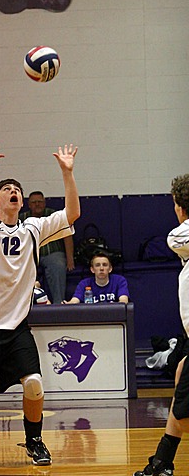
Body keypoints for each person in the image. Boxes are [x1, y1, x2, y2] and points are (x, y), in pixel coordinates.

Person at [0, 134, 80, 468]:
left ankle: (34, 441)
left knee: (35, 385)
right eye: (7, 189)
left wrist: (67, 172)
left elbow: (72, 213)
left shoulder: (34, 229)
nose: (13, 192)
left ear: (21, 202)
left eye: (17, 190)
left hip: (15, 329)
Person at [133, 174, 189, 476]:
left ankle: (161, 463)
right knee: (180, 374)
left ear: (179, 206)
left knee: (182, 406)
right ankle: (162, 463)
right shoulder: (181, 238)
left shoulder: (179, 234)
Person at [20, 190, 75, 304]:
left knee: (58, 264)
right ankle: (24, 306)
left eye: (40, 202)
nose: (37, 204)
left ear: (44, 203)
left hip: (52, 253)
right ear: (29, 205)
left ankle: (59, 304)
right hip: (30, 255)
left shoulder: (53, 214)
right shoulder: (21, 218)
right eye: (34, 202)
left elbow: (68, 236)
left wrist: (70, 259)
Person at [63, 251, 129, 304]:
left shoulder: (119, 281)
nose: (101, 268)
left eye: (105, 265)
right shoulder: (84, 283)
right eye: (97, 265)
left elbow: (124, 300)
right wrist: (69, 303)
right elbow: (75, 300)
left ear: (110, 269)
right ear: (92, 269)